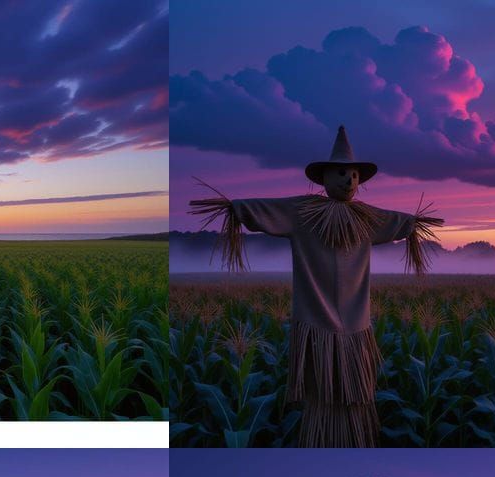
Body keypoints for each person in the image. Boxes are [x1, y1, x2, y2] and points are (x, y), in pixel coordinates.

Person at [190, 125, 444, 447]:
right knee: (320, 391)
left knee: (354, 394)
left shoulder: (367, 218)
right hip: (315, 323)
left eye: (353, 176)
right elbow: (262, 209)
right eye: (341, 174)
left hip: (355, 327)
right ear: (323, 178)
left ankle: (348, 440)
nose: (348, 181)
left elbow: (398, 221)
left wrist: (414, 223)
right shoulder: (302, 212)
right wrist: (236, 208)